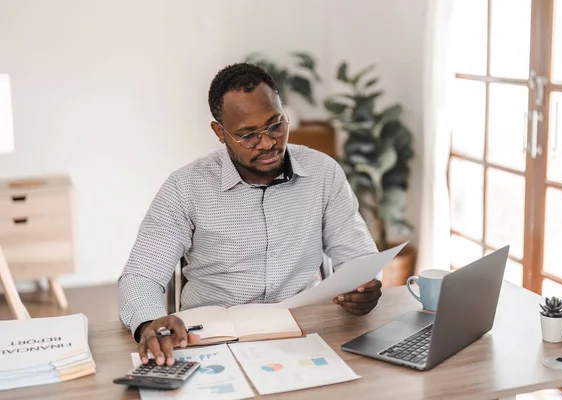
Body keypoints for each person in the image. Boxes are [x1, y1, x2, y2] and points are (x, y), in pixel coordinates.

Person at [117, 62, 381, 367]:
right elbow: (141, 276)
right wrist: (148, 322)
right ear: (220, 132)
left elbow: (359, 255)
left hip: (304, 332)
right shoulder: (185, 187)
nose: (268, 142)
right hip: (212, 338)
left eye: (276, 125)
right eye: (248, 135)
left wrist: (364, 285)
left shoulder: (323, 172)